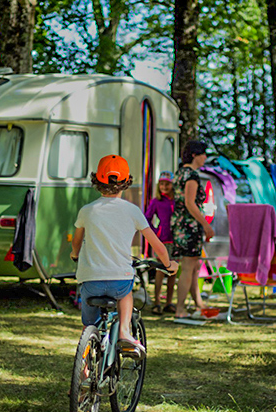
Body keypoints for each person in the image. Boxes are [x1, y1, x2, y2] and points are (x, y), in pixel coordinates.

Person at [71, 154, 179, 356]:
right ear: (126, 182)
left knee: (88, 326)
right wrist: (168, 264)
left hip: (89, 280)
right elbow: (158, 245)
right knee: (126, 293)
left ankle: (84, 371)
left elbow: (76, 241)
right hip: (119, 281)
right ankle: (123, 331)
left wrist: (74, 254)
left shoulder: (87, 211)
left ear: (97, 179)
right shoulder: (132, 211)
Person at [171, 140, 215, 319]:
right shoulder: (192, 175)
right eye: (204, 154)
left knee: (195, 266)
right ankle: (180, 309)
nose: (205, 157)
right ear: (195, 155)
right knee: (188, 268)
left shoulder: (180, 172)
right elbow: (190, 203)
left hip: (180, 224)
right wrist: (206, 225)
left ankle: (198, 302)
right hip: (189, 226)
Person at [144, 171, 177, 315]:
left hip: (176, 239)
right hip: (162, 240)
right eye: (162, 184)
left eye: (167, 184)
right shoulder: (156, 201)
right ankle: (157, 302)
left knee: (173, 272)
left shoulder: (177, 200)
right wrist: (155, 232)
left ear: (172, 185)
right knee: (160, 271)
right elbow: (147, 218)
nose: (164, 187)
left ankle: (169, 302)